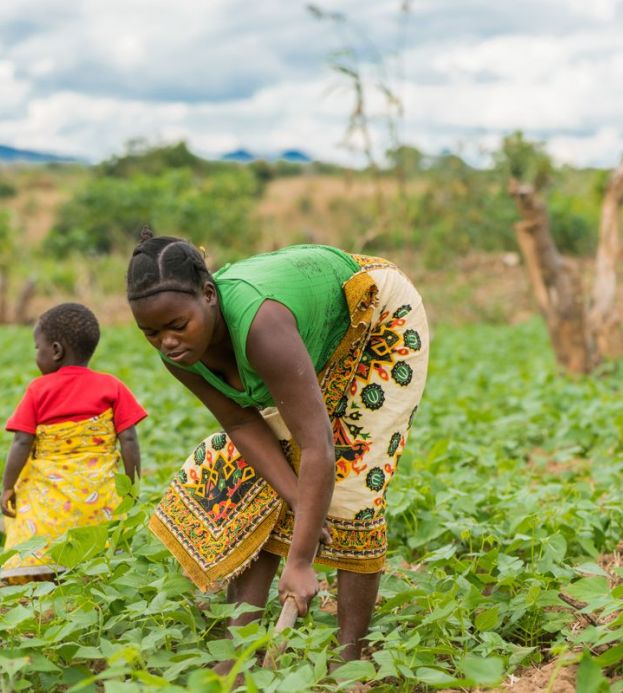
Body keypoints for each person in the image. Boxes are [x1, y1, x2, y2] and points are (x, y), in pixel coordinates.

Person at [127, 232, 429, 661]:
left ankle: (350, 663)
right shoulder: (178, 354)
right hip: (311, 331)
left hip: (376, 310)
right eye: (151, 333)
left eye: (177, 326)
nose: (167, 342)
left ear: (209, 295)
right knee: (254, 475)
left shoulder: (261, 327)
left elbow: (318, 446)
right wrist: (295, 498)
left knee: (351, 479)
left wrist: (301, 561)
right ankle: (237, 654)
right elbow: (239, 421)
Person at [0, 302, 146, 582]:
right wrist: (131, 486)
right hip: (97, 494)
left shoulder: (38, 390)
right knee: (100, 533)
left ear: (55, 350)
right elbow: (128, 438)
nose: (36, 354)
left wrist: (7, 486)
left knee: (29, 509)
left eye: (37, 347)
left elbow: (21, 443)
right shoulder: (111, 386)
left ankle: (42, 572)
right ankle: (93, 570)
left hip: (50, 497)